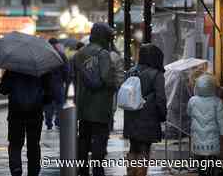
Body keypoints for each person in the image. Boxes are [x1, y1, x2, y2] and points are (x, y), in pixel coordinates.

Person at [73, 22, 116, 176]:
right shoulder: (103, 54)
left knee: (83, 139)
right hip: (100, 106)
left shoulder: (79, 54)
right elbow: (107, 78)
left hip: (83, 105)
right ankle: (98, 170)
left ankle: (82, 169)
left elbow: (75, 80)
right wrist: (115, 83)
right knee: (99, 139)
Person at [123, 44, 167, 176]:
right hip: (148, 117)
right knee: (144, 148)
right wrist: (163, 115)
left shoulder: (131, 71)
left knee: (133, 147)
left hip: (131, 116)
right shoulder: (157, 74)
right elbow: (161, 98)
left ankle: (131, 173)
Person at [0, 70, 51, 176]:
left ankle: (16, 169)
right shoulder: (41, 69)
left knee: (15, 144)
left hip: (16, 114)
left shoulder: (12, 69)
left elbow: (2, 90)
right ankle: (33, 171)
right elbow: (49, 95)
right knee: (34, 145)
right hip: (35, 114)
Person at [187, 73, 223, 176]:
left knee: (200, 159)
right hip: (212, 137)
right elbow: (221, 120)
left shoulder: (192, 101)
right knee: (212, 158)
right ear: (212, 87)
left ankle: (202, 173)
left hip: (197, 137)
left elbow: (188, 113)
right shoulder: (217, 102)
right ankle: (212, 172)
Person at [44, 38, 70, 130]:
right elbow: (66, 70)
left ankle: (48, 122)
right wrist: (66, 81)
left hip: (47, 85)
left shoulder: (45, 56)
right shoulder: (61, 55)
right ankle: (58, 121)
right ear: (56, 44)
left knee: (48, 104)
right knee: (59, 103)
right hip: (58, 84)